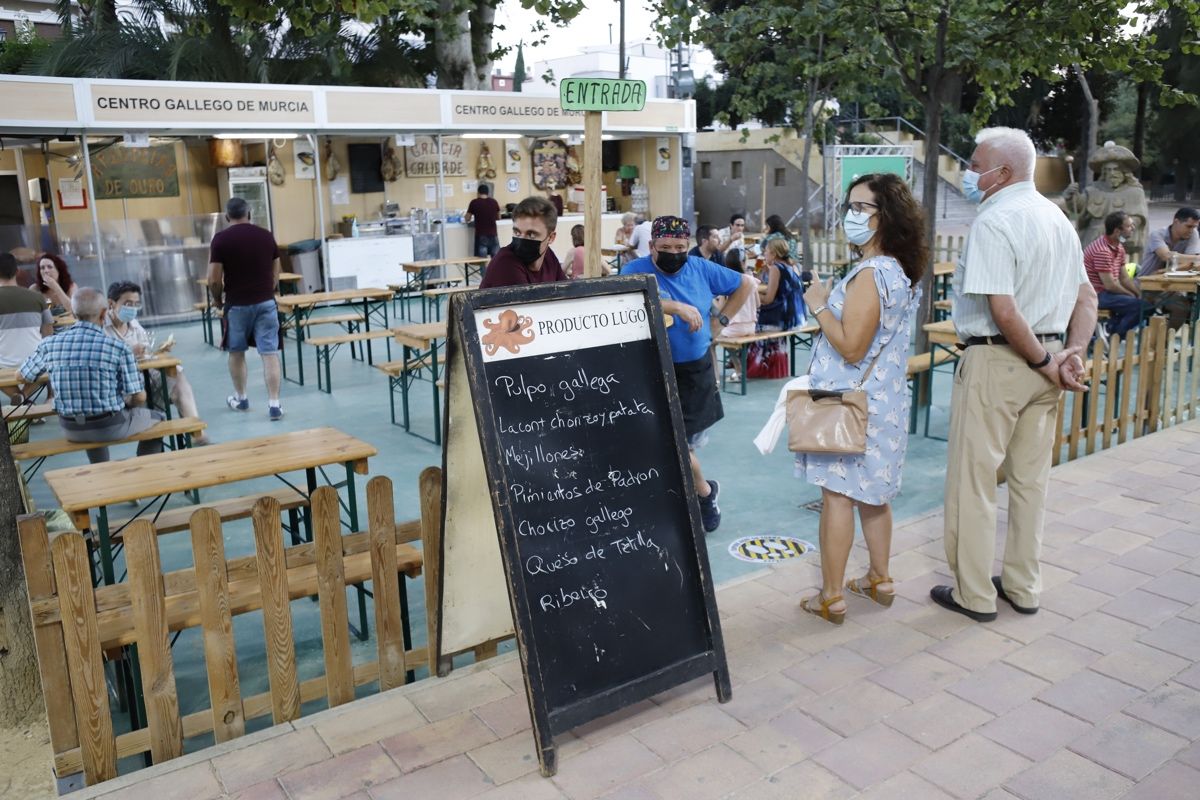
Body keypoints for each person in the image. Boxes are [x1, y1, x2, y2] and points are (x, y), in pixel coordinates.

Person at [934, 127, 1096, 623]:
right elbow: (1086, 298)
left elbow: (1002, 310)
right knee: (1030, 481)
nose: (968, 170)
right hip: (1046, 362)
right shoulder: (1057, 219)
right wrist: (1071, 353)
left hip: (999, 361)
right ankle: (1023, 586)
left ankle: (975, 594)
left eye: (975, 162)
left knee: (975, 480)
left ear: (1001, 172)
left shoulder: (994, 220)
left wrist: (1046, 362)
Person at [795, 173, 927, 624]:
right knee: (875, 496)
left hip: (851, 403)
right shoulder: (897, 270)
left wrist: (817, 304)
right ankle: (879, 577)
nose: (850, 217)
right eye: (848, 207)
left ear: (884, 216)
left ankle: (831, 595)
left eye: (860, 208)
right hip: (883, 401)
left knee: (837, 496)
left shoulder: (872, 273)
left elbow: (851, 345)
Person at [622, 216, 755, 533]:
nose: (674, 253)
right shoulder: (634, 270)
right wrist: (674, 307)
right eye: (665, 247)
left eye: (680, 247)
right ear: (652, 246)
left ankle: (705, 494)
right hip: (651, 368)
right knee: (662, 443)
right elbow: (623, 298)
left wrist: (719, 323)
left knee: (682, 447)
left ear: (688, 246)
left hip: (694, 371)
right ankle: (692, 494)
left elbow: (746, 284)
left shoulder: (700, 268)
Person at [18, 287, 164, 464]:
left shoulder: (50, 344)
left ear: (73, 312)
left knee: (90, 407)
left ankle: (101, 468)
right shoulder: (117, 348)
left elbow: (22, 375)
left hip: (69, 427)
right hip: (108, 426)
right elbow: (139, 396)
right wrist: (130, 406)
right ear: (104, 314)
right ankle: (146, 470)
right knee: (159, 419)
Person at [104, 280, 210, 445]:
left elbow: (146, 351)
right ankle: (155, 434)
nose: (132, 309)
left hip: (144, 377)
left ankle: (198, 433)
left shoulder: (134, 325)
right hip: (123, 386)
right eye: (127, 304)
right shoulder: (101, 328)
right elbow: (102, 363)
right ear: (111, 303)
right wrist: (128, 354)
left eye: (135, 304)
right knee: (149, 408)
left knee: (178, 376)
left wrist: (155, 352)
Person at [208, 197, 284, 420]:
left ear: (227, 217)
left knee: (236, 351)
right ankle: (274, 404)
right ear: (249, 214)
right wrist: (266, 292)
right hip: (266, 303)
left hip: (237, 305)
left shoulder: (220, 240)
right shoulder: (266, 236)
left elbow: (213, 279)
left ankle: (241, 399)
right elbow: (275, 274)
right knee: (269, 353)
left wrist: (217, 301)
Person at [1062, 141, 1150, 258]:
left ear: (1124, 172)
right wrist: (1072, 196)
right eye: (1108, 170)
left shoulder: (1134, 192)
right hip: (1093, 238)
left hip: (1121, 239)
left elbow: (1139, 218)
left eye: (1115, 170)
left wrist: (1121, 228)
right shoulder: (1093, 190)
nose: (1111, 173)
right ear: (1103, 172)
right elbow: (1079, 208)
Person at [479, 196, 567, 288]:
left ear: (551, 238)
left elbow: (567, 292)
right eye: (517, 232)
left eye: (531, 234)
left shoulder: (548, 257)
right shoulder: (506, 263)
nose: (521, 240)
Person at [1136, 207, 1200, 329]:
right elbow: (1166, 256)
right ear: (1176, 222)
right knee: (1181, 306)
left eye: (1195, 227)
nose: (1192, 230)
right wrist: (1192, 259)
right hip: (1146, 286)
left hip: (1171, 287)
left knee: (1184, 307)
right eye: (1189, 226)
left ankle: (1164, 343)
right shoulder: (1157, 235)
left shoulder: (1193, 234)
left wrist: (1165, 269)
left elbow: (1192, 264)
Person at [1083, 212, 1144, 337]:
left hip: (1107, 292)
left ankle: (1109, 332)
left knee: (1144, 302)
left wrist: (1138, 293)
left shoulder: (1118, 247)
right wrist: (1131, 294)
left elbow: (1124, 278)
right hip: (1095, 295)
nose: (1133, 228)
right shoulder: (1102, 250)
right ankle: (1113, 338)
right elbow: (1110, 285)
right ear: (1117, 231)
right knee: (1140, 306)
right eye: (1129, 226)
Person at [0, 252, 52, 374]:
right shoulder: (37, 297)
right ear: (18, 271)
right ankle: (25, 393)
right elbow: (48, 333)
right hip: (35, 364)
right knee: (46, 363)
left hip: (2, 365)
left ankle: (17, 394)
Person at [464, 184, 501, 259]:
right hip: (493, 235)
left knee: (482, 260)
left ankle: (484, 271)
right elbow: (499, 217)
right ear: (488, 193)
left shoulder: (474, 202)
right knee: (496, 260)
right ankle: (496, 271)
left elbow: (467, 218)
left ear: (478, 193)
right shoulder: (494, 202)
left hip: (481, 235)